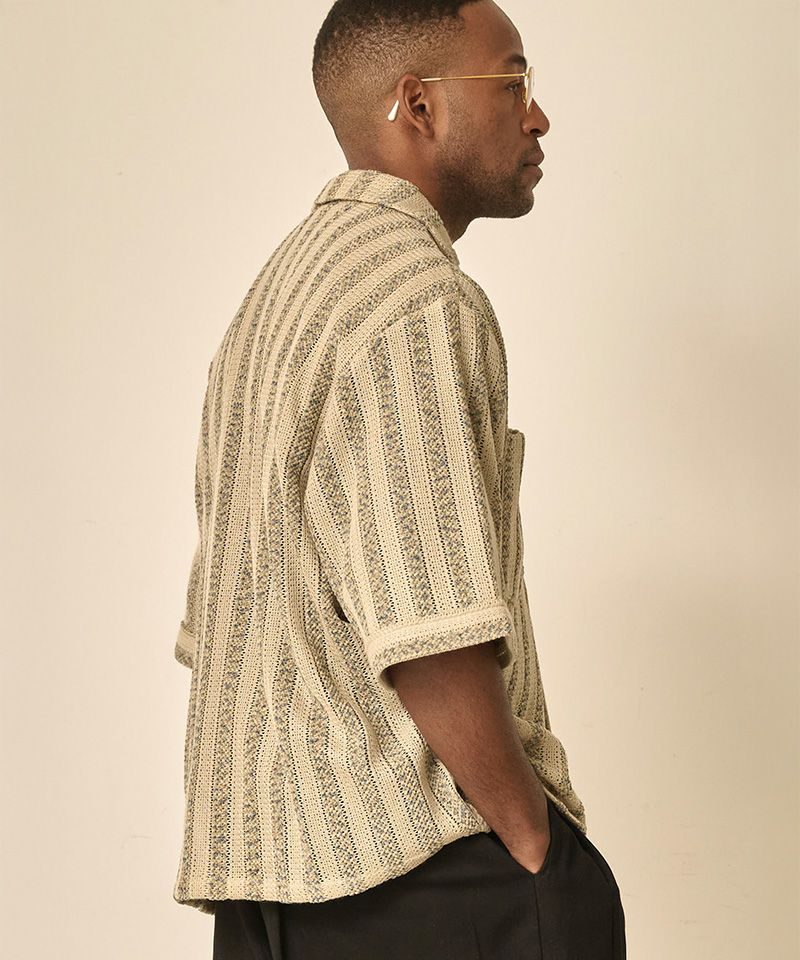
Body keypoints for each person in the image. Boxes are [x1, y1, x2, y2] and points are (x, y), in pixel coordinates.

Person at [173, 0, 626, 956]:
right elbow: (428, 627)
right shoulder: (416, 299)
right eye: (513, 80)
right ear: (419, 105)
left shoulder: (276, 297)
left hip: (273, 890)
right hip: (432, 878)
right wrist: (533, 840)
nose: (537, 114)